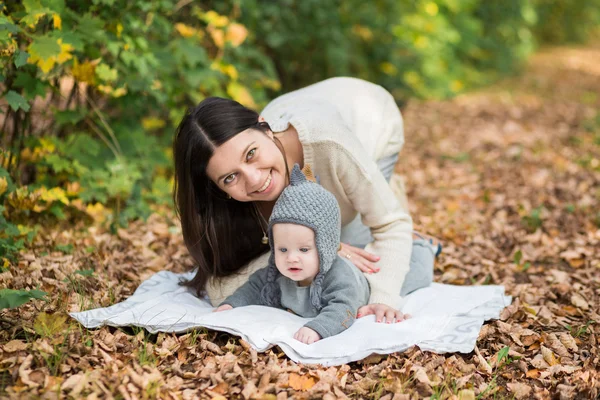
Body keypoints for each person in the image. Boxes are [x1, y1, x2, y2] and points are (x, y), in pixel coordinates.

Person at [173, 77, 439, 323]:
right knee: (315, 256)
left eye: (251, 154)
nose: (253, 180)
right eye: (230, 178)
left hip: (369, 120)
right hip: (304, 107)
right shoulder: (234, 195)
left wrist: (383, 299)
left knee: (354, 264)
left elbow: (389, 226)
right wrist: (328, 246)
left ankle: (386, 195)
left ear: (265, 128)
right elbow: (221, 289)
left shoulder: (330, 144)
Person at [215, 164, 376, 344]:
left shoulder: (340, 277)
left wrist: (317, 328)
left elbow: (343, 308)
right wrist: (231, 304)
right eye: (282, 249)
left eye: (304, 249)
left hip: (370, 274)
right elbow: (254, 288)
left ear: (326, 247)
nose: (291, 258)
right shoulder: (276, 274)